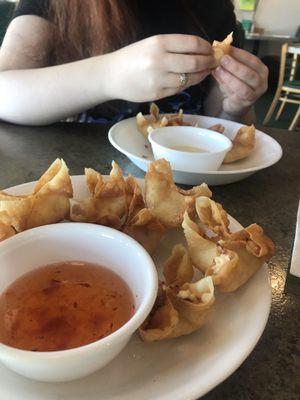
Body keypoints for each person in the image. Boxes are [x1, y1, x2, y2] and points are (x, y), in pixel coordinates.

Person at [0, 0, 268, 126]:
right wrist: (109, 74)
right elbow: (4, 92)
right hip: (86, 180)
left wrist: (236, 109)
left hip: (189, 184)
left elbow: (218, 121)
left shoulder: (213, 8)